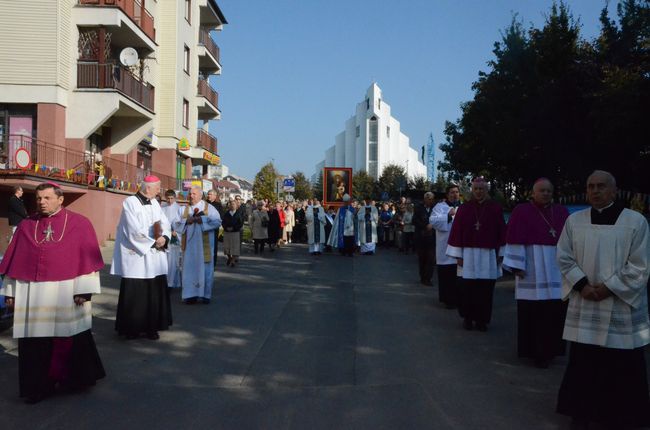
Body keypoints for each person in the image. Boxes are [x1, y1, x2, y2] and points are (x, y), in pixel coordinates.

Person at [556, 170, 650, 428]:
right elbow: (563, 256)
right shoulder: (574, 221)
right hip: (585, 299)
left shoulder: (635, 221)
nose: (595, 191)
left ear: (614, 190)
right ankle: (582, 411)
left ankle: (623, 414)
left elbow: (640, 264)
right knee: (585, 360)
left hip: (619, 303)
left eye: (601, 186)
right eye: (590, 186)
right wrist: (583, 285)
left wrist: (609, 289)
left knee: (622, 361)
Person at [0, 182, 105, 403]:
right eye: (39, 198)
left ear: (60, 199)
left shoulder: (79, 223)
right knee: (34, 344)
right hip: (32, 297)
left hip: (66, 293)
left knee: (68, 336)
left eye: (47, 198)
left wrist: (85, 291)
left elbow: (87, 260)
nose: (42, 202)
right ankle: (36, 387)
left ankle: (71, 381)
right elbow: (14, 262)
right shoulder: (27, 226)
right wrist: (10, 292)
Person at [503, 179, 569, 368]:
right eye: (542, 190)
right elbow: (514, 238)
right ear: (533, 193)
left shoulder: (561, 212)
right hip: (531, 268)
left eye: (549, 190)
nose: (546, 193)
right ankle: (533, 351)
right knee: (533, 312)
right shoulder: (522, 211)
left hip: (556, 268)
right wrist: (516, 265)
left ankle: (551, 350)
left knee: (554, 311)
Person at [111, 175, 173, 340]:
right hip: (137, 255)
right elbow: (132, 229)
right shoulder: (130, 202)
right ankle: (132, 328)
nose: (159, 191)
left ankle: (151, 327)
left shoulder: (154, 202)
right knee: (136, 293)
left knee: (153, 290)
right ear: (148, 188)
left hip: (154, 255)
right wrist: (153, 243)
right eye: (157, 188)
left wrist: (164, 238)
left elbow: (165, 223)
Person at [446, 177, 506, 332]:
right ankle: (467, 318)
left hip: (488, 255)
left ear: (487, 190)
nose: (479, 191)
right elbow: (456, 231)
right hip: (468, 254)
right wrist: (458, 255)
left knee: (485, 290)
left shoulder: (495, 208)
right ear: (472, 190)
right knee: (467, 289)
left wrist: (501, 252)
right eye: (476, 189)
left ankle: (482, 320)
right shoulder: (464, 209)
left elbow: (502, 232)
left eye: (482, 189)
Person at [179, 186, 222, 304]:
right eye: (190, 194)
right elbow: (175, 223)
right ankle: (190, 295)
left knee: (205, 270)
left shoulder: (209, 208)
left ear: (200, 195)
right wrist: (186, 221)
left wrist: (202, 221)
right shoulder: (183, 209)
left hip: (204, 247)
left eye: (194, 194)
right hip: (189, 247)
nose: (191, 196)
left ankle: (205, 295)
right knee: (189, 269)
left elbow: (218, 222)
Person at [431, 185, 462, 308]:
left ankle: (459, 299)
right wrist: (448, 216)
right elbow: (433, 221)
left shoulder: (463, 208)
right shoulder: (440, 207)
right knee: (447, 276)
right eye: (452, 192)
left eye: (456, 192)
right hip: (445, 247)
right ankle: (448, 300)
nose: (454, 194)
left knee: (459, 276)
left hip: (460, 247)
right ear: (447, 194)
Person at [161, 189, 183, 289]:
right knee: (165, 261)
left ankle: (171, 283)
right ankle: (168, 282)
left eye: (171, 198)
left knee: (173, 261)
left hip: (174, 237)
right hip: (165, 236)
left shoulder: (179, 209)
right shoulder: (162, 207)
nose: (169, 201)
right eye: (168, 198)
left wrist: (176, 231)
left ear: (175, 198)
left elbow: (181, 223)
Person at [413, 192, 436, 286]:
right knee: (422, 258)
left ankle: (428, 278)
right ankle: (423, 277)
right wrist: (424, 226)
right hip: (421, 237)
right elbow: (414, 220)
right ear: (424, 199)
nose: (429, 200)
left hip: (432, 238)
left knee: (431, 259)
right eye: (428, 198)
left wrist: (432, 226)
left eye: (431, 199)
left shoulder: (435, 208)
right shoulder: (419, 208)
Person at [222, 199, 243, 267]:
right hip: (227, 232)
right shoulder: (226, 213)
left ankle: (233, 260)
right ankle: (230, 258)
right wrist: (226, 227)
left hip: (235, 232)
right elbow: (223, 222)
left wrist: (233, 228)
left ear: (237, 206)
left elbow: (240, 223)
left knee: (235, 247)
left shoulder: (238, 213)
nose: (232, 205)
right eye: (231, 204)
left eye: (233, 204)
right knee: (227, 247)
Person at [207, 189, 223, 267]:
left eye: (210, 194)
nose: (208, 196)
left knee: (213, 246)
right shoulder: (204, 203)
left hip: (214, 229)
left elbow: (220, 217)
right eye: (208, 194)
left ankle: (213, 263)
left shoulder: (218, 205)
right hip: (205, 228)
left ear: (214, 196)